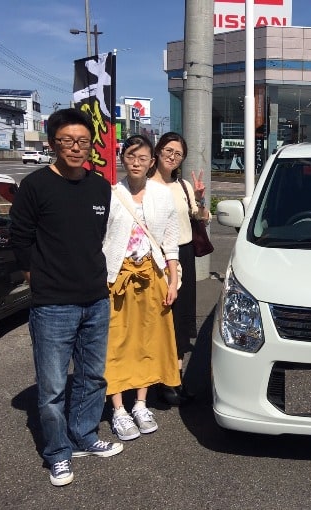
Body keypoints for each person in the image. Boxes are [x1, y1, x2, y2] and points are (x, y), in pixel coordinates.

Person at [9, 108, 123, 487]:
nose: (76, 148)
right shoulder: (35, 186)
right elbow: (20, 241)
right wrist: (39, 280)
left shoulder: (99, 187)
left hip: (95, 298)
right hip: (52, 304)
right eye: (67, 141)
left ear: (93, 145)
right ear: (53, 144)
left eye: (83, 141)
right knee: (53, 386)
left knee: (92, 376)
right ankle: (58, 452)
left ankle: (84, 437)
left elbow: (97, 238)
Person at [102, 135, 181, 440]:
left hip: (152, 275)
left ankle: (141, 403)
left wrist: (173, 281)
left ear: (152, 162)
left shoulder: (162, 196)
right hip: (117, 278)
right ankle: (118, 409)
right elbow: (101, 242)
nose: (136, 162)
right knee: (117, 342)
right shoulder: (110, 194)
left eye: (143, 158)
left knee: (149, 340)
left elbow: (170, 244)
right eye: (131, 157)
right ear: (123, 158)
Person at [148, 132, 211, 405]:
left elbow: (201, 218)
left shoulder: (183, 186)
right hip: (155, 258)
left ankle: (175, 377)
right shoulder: (145, 186)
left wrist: (199, 199)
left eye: (178, 154)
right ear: (158, 151)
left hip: (183, 255)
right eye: (168, 151)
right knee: (159, 318)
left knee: (181, 319)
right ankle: (156, 380)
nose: (172, 157)